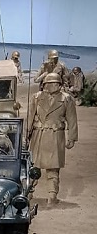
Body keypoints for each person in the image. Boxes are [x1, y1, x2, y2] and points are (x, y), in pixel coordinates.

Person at [28, 73, 78, 203]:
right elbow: (30, 117)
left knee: (53, 168)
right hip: (39, 134)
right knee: (34, 167)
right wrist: (25, 136)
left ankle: (52, 195)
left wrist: (71, 138)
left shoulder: (66, 98)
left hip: (55, 135)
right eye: (48, 84)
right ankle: (28, 193)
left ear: (58, 84)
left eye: (53, 83)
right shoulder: (37, 97)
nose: (50, 86)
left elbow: (72, 119)